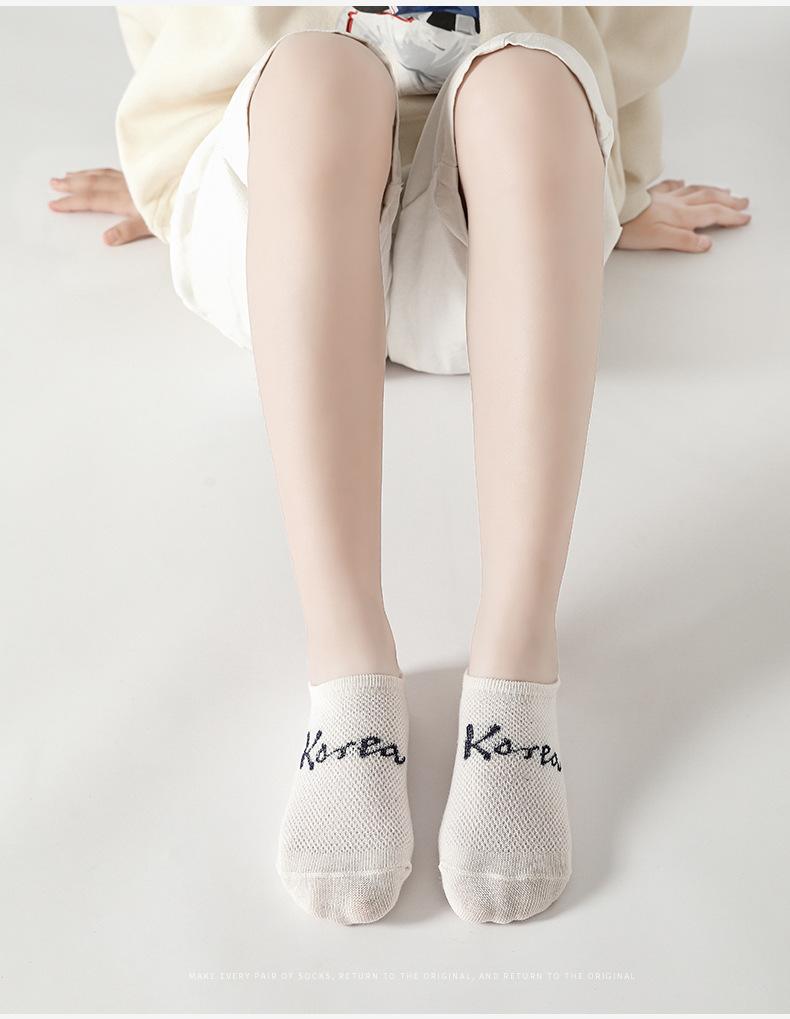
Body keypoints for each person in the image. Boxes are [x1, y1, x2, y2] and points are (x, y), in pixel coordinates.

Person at [49, 6, 750, 926]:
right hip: (284, 223)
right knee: (315, 77)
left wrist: (610, 188)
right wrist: (175, 167)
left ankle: (516, 669)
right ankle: (348, 668)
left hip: (493, 247)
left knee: (529, 88)